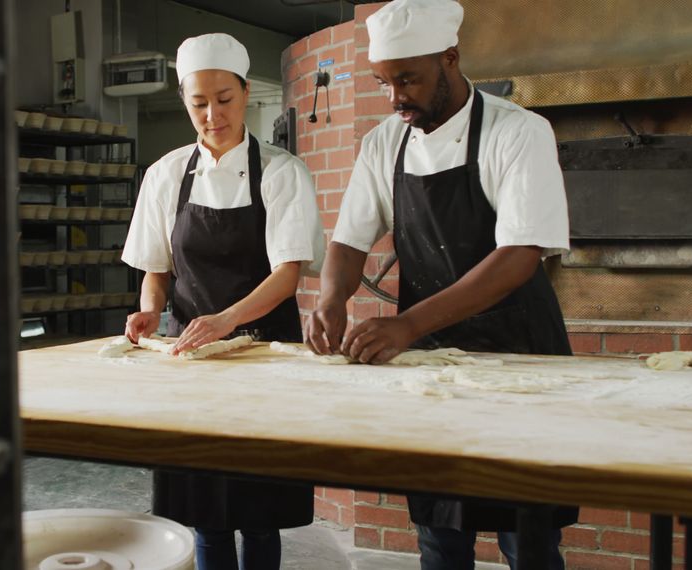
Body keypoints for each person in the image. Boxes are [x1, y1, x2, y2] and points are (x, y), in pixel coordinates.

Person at [304, 0, 576, 567]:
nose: (396, 96)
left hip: (518, 356)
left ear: (450, 59)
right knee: (439, 529)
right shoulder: (385, 142)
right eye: (384, 82)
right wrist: (331, 299)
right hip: (431, 366)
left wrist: (405, 324)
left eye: (409, 78)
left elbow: (519, 255)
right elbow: (350, 241)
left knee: (526, 533)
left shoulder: (519, 131)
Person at [120, 32, 325, 570]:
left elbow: (288, 274)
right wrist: (149, 308)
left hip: (267, 357)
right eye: (198, 103)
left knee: (259, 512)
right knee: (204, 511)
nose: (213, 114)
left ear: (244, 91)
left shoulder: (282, 172)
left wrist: (228, 322)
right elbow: (156, 270)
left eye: (225, 99)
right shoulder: (165, 174)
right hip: (193, 364)